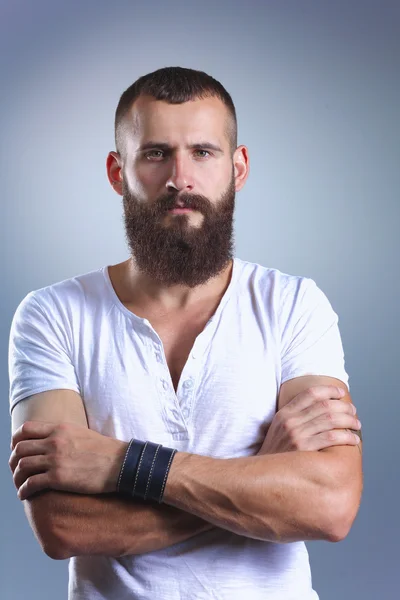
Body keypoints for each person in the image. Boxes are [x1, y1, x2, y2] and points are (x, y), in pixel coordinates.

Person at [8, 66, 363, 600]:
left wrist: (119, 463)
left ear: (237, 168)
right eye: (155, 153)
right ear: (117, 171)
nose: (180, 178)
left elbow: (330, 506)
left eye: (203, 152)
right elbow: (64, 526)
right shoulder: (52, 315)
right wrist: (262, 479)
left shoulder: (294, 306)